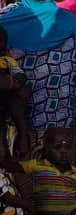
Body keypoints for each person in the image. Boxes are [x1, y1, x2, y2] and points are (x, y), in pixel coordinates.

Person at [0, 0, 76, 151]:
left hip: (64, 119)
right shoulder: (7, 21)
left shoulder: (66, 17)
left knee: (62, 174)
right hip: (24, 121)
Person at [0, 27, 29, 158]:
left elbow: (20, 74)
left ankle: (23, 134)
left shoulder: (6, 60)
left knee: (16, 104)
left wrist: (15, 83)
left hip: (7, 95)